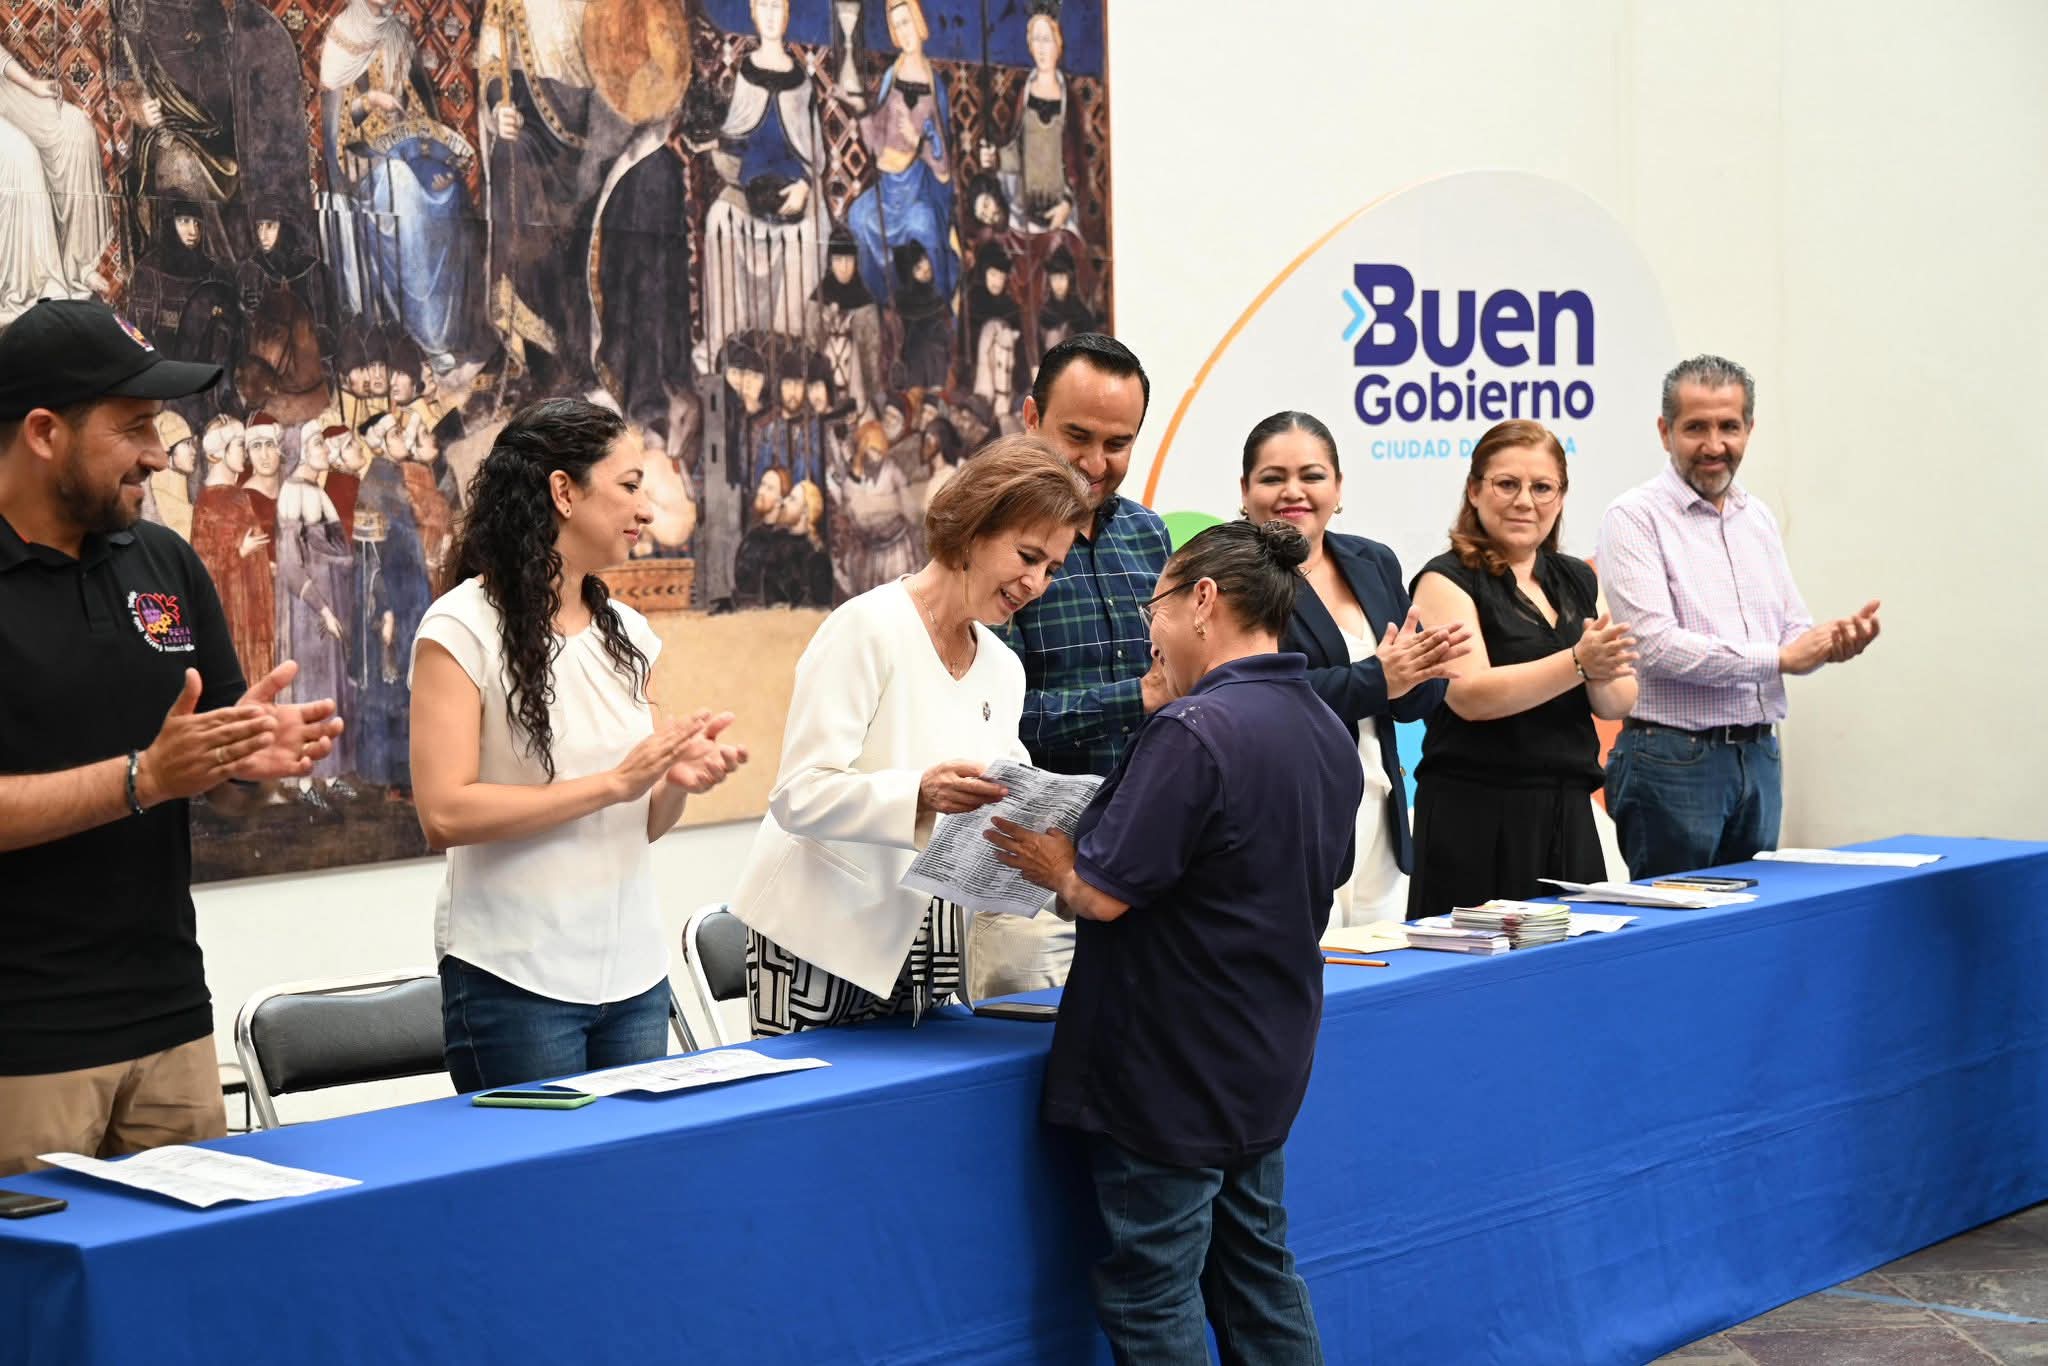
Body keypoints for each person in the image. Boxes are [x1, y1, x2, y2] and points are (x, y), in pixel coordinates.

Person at [985, 520, 1361, 1365]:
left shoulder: (1194, 734)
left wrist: (1052, 861)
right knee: (1257, 1274)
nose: (1148, 631)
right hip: (1264, 1055)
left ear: (1201, 602)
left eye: (1155, 606)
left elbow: (1103, 895)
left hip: (1168, 1067)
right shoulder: (1326, 731)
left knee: (1153, 1293)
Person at [0, 299, 342, 1175]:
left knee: (191, 1296)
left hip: (172, 1020)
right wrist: (142, 779)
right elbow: (151, 776)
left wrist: (248, 769)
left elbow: (214, 778)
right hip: (24, 1048)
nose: (159, 450)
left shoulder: (163, 559)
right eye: (134, 426)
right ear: (44, 432)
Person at [409, 399, 747, 1092]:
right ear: (563, 491)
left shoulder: (628, 632)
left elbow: (641, 823)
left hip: (634, 974)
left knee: (629, 1190)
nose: (647, 510)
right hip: (515, 977)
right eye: (629, 486)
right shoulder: (460, 627)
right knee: (536, 1196)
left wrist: (676, 780)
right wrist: (614, 785)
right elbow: (444, 814)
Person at [729, 435, 1091, 1037]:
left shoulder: (1004, 668)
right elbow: (798, 794)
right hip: (821, 941)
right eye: (1027, 556)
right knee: (818, 1126)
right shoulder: (867, 628)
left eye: (1052, 569)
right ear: (974, 531)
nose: (1036, 584)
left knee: (913, 1125)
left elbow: (999, 801)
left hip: (930, 950)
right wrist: (918, 794)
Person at [1596, 356, 1880, 878]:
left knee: (1750, 928)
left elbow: (1790, 629)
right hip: (1672, 760)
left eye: (1729, 426)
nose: (1714, 444)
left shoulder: (1758, 517)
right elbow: (1654, 646)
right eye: (1695, 427)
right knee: (1676, 939)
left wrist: (1828, 644)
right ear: (1665, 432)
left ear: (1749, 428)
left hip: (1760, 755)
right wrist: (1782, 658)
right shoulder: (1633, 517)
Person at [982, 334, 1169, 999]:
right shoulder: (986, 544)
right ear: (1030, 419)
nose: (1096, 462)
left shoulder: (1150, 534)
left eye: (1117, 444)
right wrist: (1139, 697)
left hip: (1143, 867)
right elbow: (996, 729)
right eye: (1077, 436)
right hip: (1025, 880)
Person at [1407, 420, 1638, 920]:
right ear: (1474, 491)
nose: (1524, 501)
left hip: (1568, 810)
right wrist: (1578, 661)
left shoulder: (1576, 577)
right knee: (1477, 983)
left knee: (1572, 974)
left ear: (1561, 496)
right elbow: (1470, 697)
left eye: (1542, 487)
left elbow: (1617, 700)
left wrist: (1596, 668)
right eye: (1506, 484)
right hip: (1476, 815)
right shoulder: (1444, 580)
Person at [1243, 411, 1468, 925]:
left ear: (1338, 486)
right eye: (1273, 478)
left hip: (1383, 819)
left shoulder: (1373, 561)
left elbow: (1407, 698)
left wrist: (1425, 669)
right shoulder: (1233, 573)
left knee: (1380, 983)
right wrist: (1380, 677)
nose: (1292, 492)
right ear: (1246, 489)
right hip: (1292, 825)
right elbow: (1256, 693)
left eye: (1312, 476)